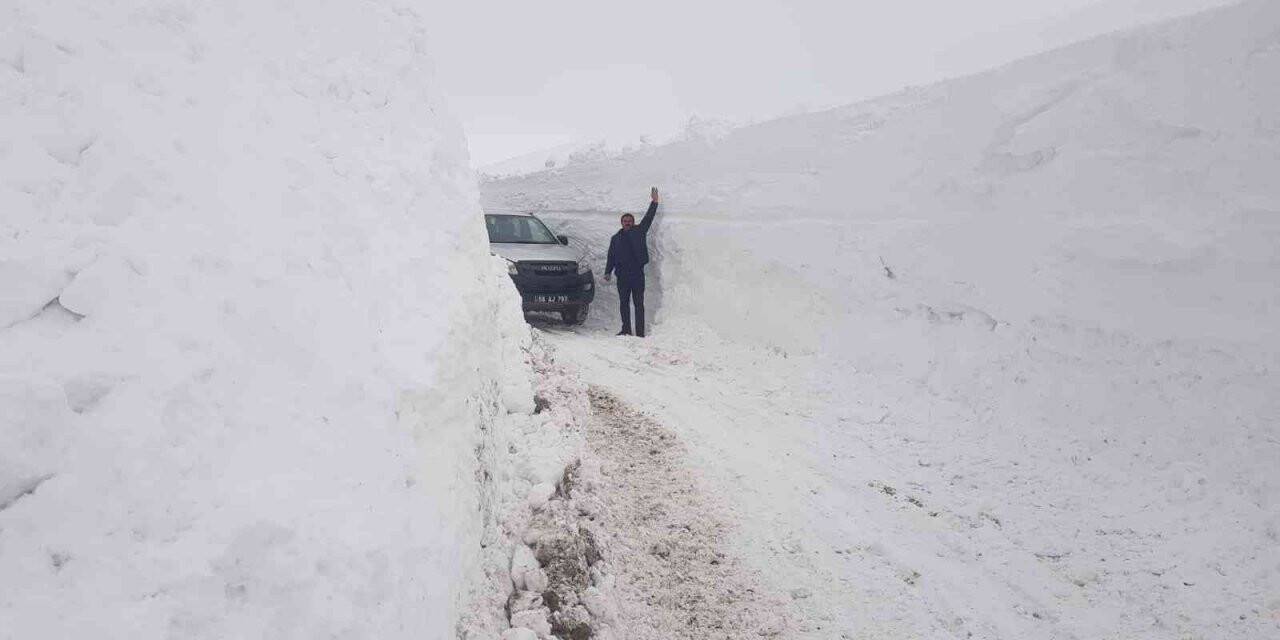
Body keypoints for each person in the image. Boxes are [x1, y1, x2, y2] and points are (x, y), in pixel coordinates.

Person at [604, 187, 660, 337]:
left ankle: (640, 332)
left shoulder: (639, 231)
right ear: (621, 223)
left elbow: (648, 218)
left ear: (633, 222)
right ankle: (626, 329)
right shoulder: (615, 238)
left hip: (637, 275)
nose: (627, 223)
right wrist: (608, 272)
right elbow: (611, 256)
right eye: (625, 221)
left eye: (630, 221)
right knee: (624, 304)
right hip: (622, 276)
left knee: (638, 304)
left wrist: (654, 202)